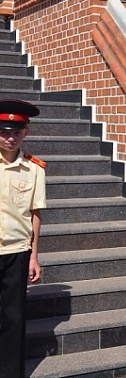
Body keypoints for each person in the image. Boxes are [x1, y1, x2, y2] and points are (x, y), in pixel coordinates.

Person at [0, 100, 45, 378]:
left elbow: (35, 214)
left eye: (16, 132)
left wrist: (34, 255)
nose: (10, 138)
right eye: (4, 131)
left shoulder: (35, 169)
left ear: (26, 132)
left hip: (16, 251)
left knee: (13, 319)